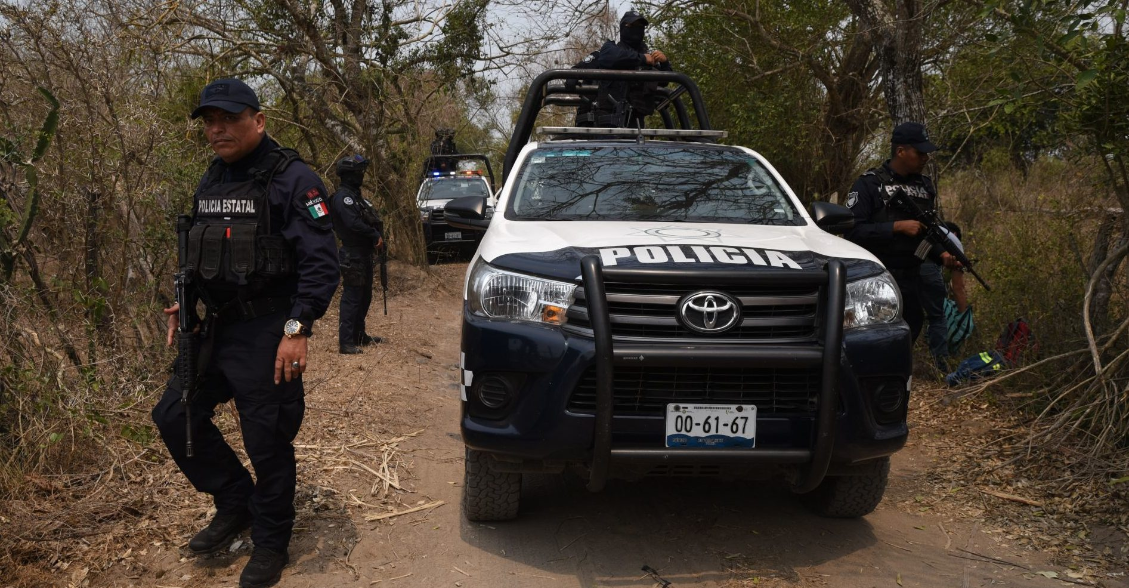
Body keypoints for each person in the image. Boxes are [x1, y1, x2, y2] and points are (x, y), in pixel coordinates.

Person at [152, 78, 339, 588]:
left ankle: (272, 541)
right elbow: (204, 255)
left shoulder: (293, 179)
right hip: (215, 329)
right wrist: (186, 303)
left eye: (229, 119)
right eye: (210, 121)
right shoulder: (212, 178)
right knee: (174, 413)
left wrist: (297, 328)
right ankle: (237, 502)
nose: (218, 129)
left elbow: (323, 264)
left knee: (267, 441)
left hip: (268, 331)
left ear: (258, 120)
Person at [846, 122, 959, 367]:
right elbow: (852, 231)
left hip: (911, 275)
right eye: (919, 153)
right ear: (900, 151)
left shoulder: (924, 186)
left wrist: (943, 255)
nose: (925, 158)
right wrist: (896, 227)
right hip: (875, 278)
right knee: (875, 334)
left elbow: (926, 232)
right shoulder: (869, 184)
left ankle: (894, 376)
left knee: (913, 322)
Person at [572, 11, 671, 128]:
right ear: (623, 28)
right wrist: (642, 58)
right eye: (632, 26)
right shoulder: (608, 51)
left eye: (640, 27)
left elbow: (665, 81)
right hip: (603, 129)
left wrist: (665, 63)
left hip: (635, 131)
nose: (636, 30)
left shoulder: (649, 62)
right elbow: (610, 57)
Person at [328, 154, 384, 354]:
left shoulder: (356, 196)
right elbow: (352, 223)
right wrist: (373, 234)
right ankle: (346, 342)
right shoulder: (343, 198)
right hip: (352, 254)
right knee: (352, 297)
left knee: (365, 295)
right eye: (358, 172)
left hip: (363, 253)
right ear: (349, 174)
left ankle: (359, 335)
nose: (361, 175)